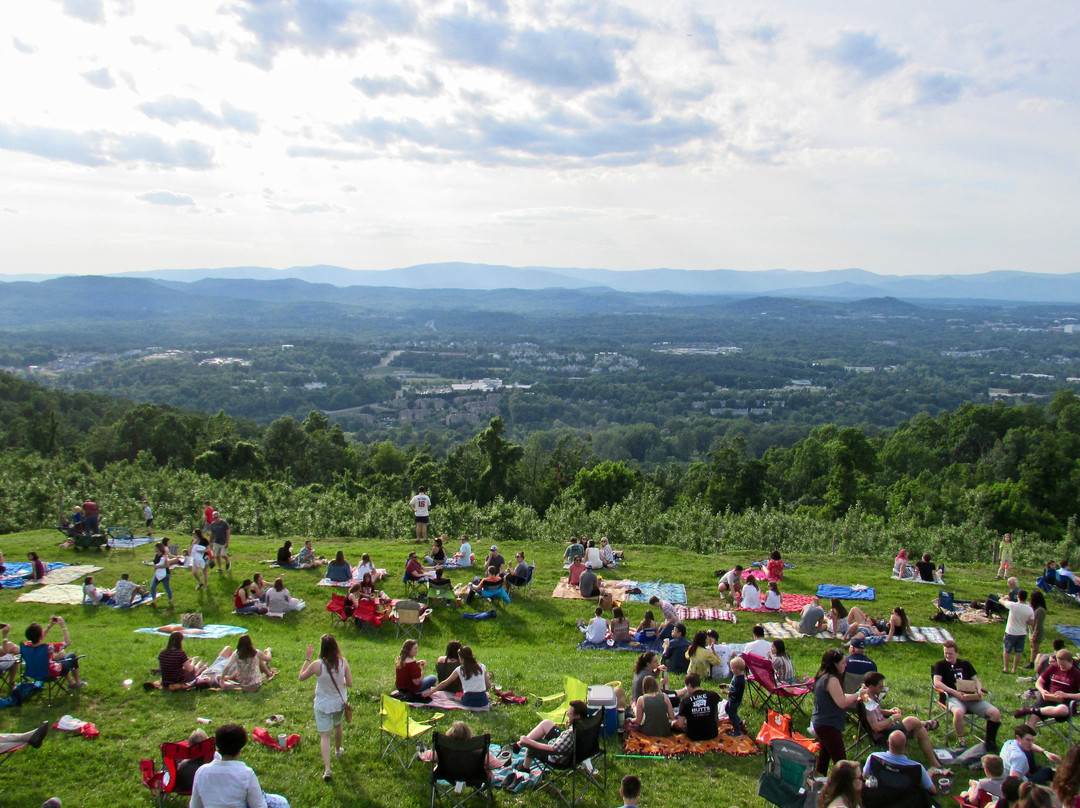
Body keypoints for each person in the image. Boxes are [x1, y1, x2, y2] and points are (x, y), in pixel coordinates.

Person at [861, 672, 949, 774]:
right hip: (882, 735)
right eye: (880, 687)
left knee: (921, 731)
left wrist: (889, 712)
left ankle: (935, 764)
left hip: (887, 728)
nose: (882, 689)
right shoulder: (866, 700)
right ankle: (924, 723)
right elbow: (875, 727)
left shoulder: (870, 695)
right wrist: (892, 719)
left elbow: (876, 711)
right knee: (912, 721)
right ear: (871, 687)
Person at [189, 723, 290, 808]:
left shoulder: (201, 772)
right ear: (240, 748)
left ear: (217, 746)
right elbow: (259, 806)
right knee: (282, 802)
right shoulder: (246, 774)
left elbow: (194, 805)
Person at [298, 634, 351, 781]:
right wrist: (343, 680)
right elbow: (350, 683)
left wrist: (307, 658)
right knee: (338, 726)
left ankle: (327, 769)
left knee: (325, 735)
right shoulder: (343, 662)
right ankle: (338, 750)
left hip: (323, 704)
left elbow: (301, 676)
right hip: (338, 702)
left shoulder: (317, 664)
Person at [933, 640, 1003, 751]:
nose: (947, 655)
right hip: (951, 696)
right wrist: (955, 692)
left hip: (970, 697)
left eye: (950, 653)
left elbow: (976, 680)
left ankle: (990, 742)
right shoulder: (940, 665)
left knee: (995, 713)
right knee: (959, 712)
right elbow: (937, 683)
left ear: (957, 653)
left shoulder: (965, 664)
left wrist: (979, 690)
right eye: (945, 653)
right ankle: (961, 740)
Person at [812, 649, 864, 775]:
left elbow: (839, 696)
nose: (845, 665)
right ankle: (843, 787)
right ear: (834, 664)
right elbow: (842, 702)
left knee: (824, 759)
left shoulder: (823, 677)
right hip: (828, 725)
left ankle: (818, 782)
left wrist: (854, 695)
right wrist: (858, 694)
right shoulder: (831, 679)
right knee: (841, 763)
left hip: (823, 723)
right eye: (843, 663)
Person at [516, 699, 588, 771]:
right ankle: (519, 745)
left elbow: (553, 751)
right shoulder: (586, 726)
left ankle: (525, 768)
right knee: (546, 723)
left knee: (533, 744)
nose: (567, 713)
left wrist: (529, 742)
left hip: (557, 758)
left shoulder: (571, 734)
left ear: (577, 716)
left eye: (570, 712)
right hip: (565, 747)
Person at [1016, 648, 1080, 728]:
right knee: (1033, 718)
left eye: (1064, 665)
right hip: (1048, 699)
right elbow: (1039, 682)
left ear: (1071, 662)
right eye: (1059, 664)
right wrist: (1043, 691)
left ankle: (1031, 710)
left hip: (1065, 703)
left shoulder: (1077, 673)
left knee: (1061, 710)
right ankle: (1027, 738)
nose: (1061, 667)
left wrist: (1066, 695)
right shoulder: (1053, 668)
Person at [864, 730, 938, 797]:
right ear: (906, 746)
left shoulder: (873, 757)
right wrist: (929, 776)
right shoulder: (917, 768)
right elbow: (933, 790)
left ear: (888, 743)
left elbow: (864, 776)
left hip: (881, 801)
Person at [22, 618, 86, 689]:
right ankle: (77, 683)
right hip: (50, 674)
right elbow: (68, 643)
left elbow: (38, 639)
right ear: (41, 635)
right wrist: (63, 626)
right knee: (72, 656)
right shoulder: (49, 647)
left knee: (59, 658)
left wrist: (49, 626)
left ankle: (71, 682)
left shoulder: (26, 646)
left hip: (34, 673)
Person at [424, 645, 490, 708]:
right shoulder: (482, 666)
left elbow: (445, 683)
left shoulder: (459, 669)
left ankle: (458, 698)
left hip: (467, 701)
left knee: (461, 693)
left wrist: (431, 692)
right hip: (482, 702)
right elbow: (488, 686)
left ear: (461, 658)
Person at [676, 672, 721, 741]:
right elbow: (720, 698)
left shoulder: (686, 700)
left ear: (689, 685)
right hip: (712, 733)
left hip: (693, 735)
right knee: (714, 703)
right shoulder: (712, 695)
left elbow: (679, 725)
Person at [1003, 590, 1035, 674]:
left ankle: (1006, 668)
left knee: (1007, 650)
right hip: (1022, 633)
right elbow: (1032, 623)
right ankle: (1014, 669)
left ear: (1018, 596)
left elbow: (1001, 601)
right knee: (1018, 652)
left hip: (1010, 632)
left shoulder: (1013, 605)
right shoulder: (1029, 609)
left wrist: (1005, 597)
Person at [1024, 590, 1048, 670]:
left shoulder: (1040, 610)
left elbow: (1038, 624)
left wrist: (1035, 634)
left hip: (1037, 631)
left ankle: (1037, 663)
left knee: (1035, 649)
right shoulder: (1035, 608)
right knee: (1033, 648)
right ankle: (1035, 662)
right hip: (1032, 630)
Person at [724, 656, 747, 736]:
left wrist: (727, 692)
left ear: (737, 669)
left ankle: (737, 731)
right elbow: (732, 685)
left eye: (732, 668)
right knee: (727, 709)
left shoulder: (740, 680)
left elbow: (736, 692)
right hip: (732, 699)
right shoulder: (735, 676)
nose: (731, 669)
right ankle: (740, 722)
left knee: (732, 714)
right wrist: (727, 685)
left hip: (735, 700)